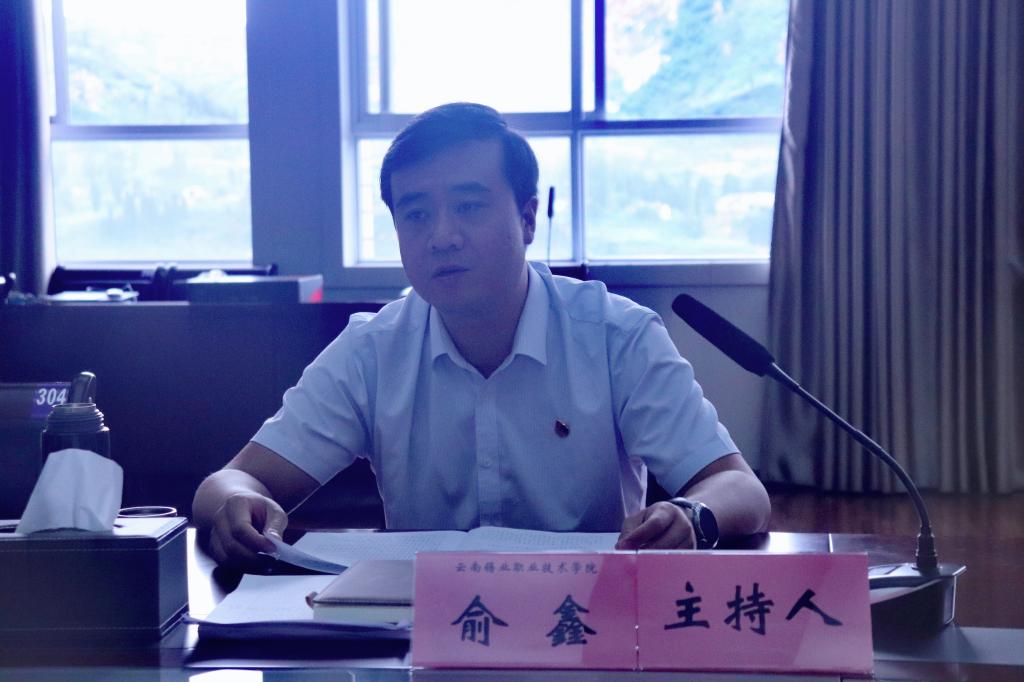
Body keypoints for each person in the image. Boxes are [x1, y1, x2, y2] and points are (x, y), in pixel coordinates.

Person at [193, 102, 770, 568]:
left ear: (527, 218)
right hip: (420, 629)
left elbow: (738, 488)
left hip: (590, 622)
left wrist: (692, 516)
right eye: (416, 215)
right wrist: (236, 504)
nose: (442, 236)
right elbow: (232, 480)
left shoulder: (618, 336)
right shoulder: (373, 350)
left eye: (468, 207)